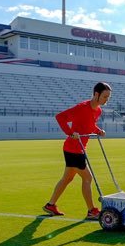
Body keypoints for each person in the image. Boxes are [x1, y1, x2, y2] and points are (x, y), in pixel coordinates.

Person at [42, 82, 112, 220]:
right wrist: (70, 132)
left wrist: (98, 131)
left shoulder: (98, 110)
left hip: (78, 148)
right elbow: (60, 117)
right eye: (105, 96)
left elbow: (90, 125)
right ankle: (91, 210)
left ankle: (50, 205)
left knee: (67, 178)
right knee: (87, 178)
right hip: (73, 149)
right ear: (96, 94)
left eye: (108, 97)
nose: (106, 100)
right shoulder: (81, 108)